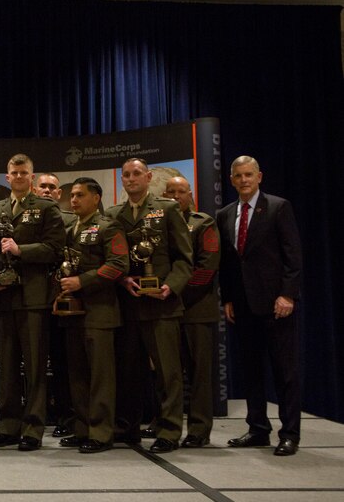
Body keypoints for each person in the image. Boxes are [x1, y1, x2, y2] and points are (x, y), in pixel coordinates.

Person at [104, 158, 193, 454]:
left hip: (161, 305)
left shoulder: (167, 209)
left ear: (148, 176)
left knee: (168, 373)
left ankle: (168, 430)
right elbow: (110, 258)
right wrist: (122, 279)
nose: (131, 179)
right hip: (128, 305)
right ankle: (127, 427)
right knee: (127, 372)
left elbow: (184, 258)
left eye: (136, 174)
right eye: (126, 175)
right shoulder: (114, 213)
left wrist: (171, 286)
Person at [216, 155, 302, 456]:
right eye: (238, 176)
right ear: (231, 179)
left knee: (285, 373)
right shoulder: (225, 214)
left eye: (248, 175)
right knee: (251, 371)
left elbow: (293, 256)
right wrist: (227, 297)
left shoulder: (278, 207)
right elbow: (226, 263)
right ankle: (258, 429)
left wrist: (288, 295)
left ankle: (289, 433)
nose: (243, 180)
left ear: (259, 176)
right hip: (242, 306)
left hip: (276, 305)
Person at [0, 154, 66, 451]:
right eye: (14, 173)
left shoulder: (46, 208)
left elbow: (56, 249)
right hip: (4, 298)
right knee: (6, 368)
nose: (18, 177)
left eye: (24, 173)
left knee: (33, 368)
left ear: (32, 177)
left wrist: (21, 250)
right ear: (7, 177)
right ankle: (7, 427)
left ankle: (32, 429)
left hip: (33, 298)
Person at [56, 177, 129, 453]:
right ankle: (82, 427)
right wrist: (61, 293)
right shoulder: (68, 229)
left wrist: (82, 282)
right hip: (73, 312)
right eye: (72, 195)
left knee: (100, 376)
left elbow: (119, 265)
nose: (73, 200)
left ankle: (100, 433)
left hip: (100, 312)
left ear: (96, 198)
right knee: (77, 374)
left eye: (80, 195)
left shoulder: (109, 227)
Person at [162, 176, 220, 448]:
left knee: (199, 373)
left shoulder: (203, 222)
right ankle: (165, 422)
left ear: (190, 194)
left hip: (196, 309)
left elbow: (206, 268)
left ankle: (199, 428)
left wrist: (174, 291)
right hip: (167, 309)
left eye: (180, 192)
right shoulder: (159, 221)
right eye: (170, 191)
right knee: (169, 371)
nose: (175, 196)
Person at [34, 172, 77, 438]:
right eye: (43, 187)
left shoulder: (73, 221)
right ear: (34, 190)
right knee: (33, 363)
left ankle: (66, 417)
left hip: (62, 301)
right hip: (30, 299)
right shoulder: (23, 221)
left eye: (52, 187)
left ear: (59, 194)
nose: (48, 190)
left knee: (64, 362)